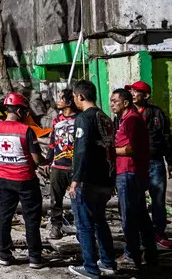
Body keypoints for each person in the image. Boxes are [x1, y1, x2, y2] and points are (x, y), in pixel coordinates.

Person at [0, 92, 48, 269]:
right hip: (25, 179)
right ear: (20, 111)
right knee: (31, 219)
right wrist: (46, 161)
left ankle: (4, 255)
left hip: (5, 179)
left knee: (4, 217)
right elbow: (36, 159)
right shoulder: (26, 130)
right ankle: (35, 258)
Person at [67, 80, 117, 279]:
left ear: (80, 96)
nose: (74, 100)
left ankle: (90, 268)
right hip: (106, 178)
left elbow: (81, 150)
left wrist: (76, 179)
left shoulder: (83, 119)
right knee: (100, 222)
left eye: (74, 97)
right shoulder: (105, 117)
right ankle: (108, 262)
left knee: (84, 224)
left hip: (88, 180)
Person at [125, 80, 172, 249]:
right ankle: (141, 233)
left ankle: (158, 233)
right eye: (131, 91)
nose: (132, 94)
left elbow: (166, 137)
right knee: (135, 199)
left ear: (146, 96)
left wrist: (170, 162)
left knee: (158, 200)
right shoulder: (126, 113)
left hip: (154, 161)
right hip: (134, 162)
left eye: (136, 91)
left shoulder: (156, 113)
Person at [110, 89, 158, 268]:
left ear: (125, 103)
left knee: (128, 216)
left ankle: (131, 254)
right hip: (132, 173)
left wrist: (109, 151)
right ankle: (150, 252)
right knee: (140, 214)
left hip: (129, 172)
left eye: (115, 101)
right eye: (111, 101)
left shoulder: (131, 120)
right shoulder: (125, 120)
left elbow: (131, 148)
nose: (112, 104)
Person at [46, 88, 78, 239]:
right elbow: (53, 141)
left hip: (75, 166)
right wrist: (49, 159)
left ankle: (81, 227)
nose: (58, 101)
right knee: (55, 200)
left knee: (78, 199)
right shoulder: (56, 119)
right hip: (58, 165)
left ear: (69, 102)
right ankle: (56, 226)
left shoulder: (80, 119)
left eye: (61, 98)